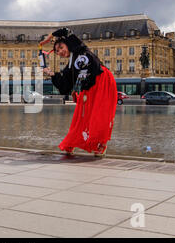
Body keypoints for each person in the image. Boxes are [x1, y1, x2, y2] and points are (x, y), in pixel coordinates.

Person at [40, 28, 117, 157]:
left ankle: (101, 144)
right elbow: (64, 85)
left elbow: (66, 31)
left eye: (61, 47)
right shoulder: (70, 67)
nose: (60, 52)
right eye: (57, 51)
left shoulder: (79, 48)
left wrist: (49, 37)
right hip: (89, 88)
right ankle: (72, 142)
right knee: (80, 116)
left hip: (102, 80)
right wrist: (51, 74)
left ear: (68, 43)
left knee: (99, 115)